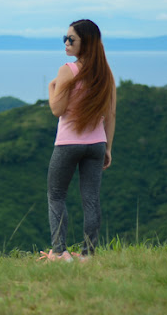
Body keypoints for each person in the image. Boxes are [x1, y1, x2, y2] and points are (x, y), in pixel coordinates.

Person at [39, 19, 117, 262]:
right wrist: (108, 148)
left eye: (71, 39)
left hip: (68, 143)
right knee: (91, 199)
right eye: (66, 37)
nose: (66, 42)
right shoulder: (105, 74)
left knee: (56, 194)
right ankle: (88, 255)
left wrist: (51, 87)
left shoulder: (68, 70)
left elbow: (57, 110)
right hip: (96, 144)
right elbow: (111, 114)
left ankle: (60, 253)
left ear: (86, 44)